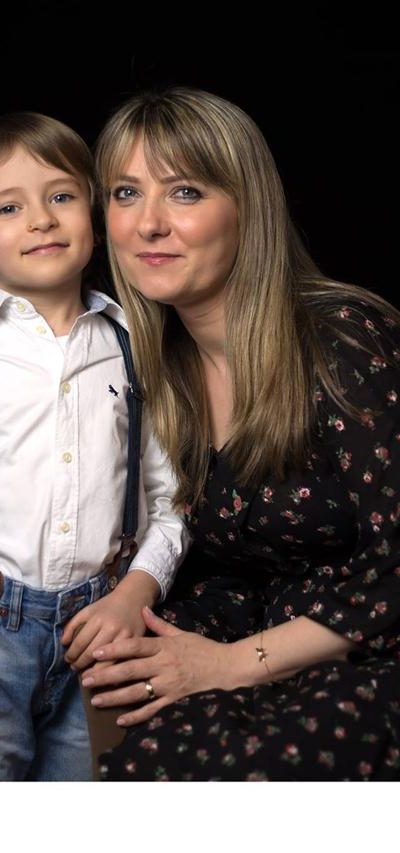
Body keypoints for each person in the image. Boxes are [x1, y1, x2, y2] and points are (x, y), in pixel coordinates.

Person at [80, 87, 400, 781]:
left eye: (185, 192)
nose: (148, 224)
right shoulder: (151, 367)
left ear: (248, 209)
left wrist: (231, 664)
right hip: (246, 624)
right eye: (126, 193)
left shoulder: (344, 340)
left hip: (368, 650)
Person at [0, 110, 190, 782]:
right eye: (8, 207)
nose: (41, 220)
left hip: (102, 627)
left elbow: (170, 498)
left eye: (60, 196)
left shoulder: (133, 343)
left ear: (95, 212)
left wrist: (135, 590)